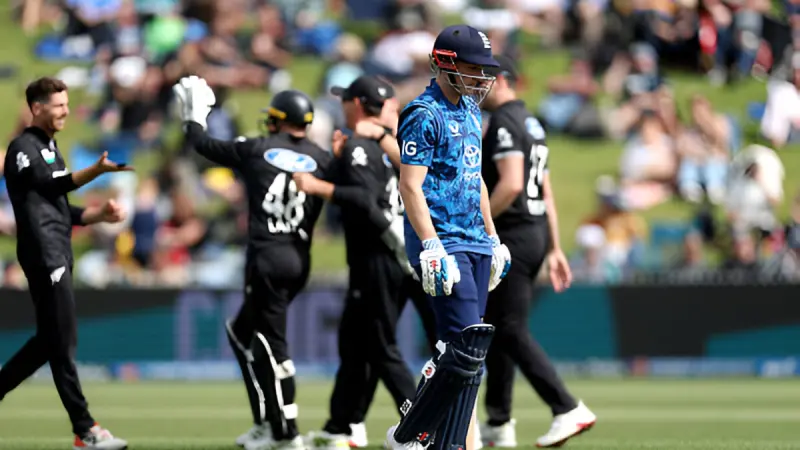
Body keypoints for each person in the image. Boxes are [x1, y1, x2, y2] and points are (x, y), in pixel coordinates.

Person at [172, 76, 333, 450]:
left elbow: (201, 145)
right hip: (299, 258)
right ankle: (266, 421)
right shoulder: (324, 158)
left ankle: (286, 433)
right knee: (242, 333)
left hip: (266, 257)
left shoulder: (257, 148)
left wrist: (194, 116)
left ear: (278, 119)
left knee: (272, 345)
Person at [383, 24, 512, 450]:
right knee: (464, 349)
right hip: (443, 240)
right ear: (445, 64)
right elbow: (410, 186)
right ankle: (412, 436)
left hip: (475, 239)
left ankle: (439, 441)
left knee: (467, 354)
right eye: (473, 68)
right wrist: (430, 244)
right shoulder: (423, 113)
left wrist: (493, 237)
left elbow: (475, 180)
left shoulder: (472, 111)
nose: (481, 77)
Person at [293, 75, 437, 449]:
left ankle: (419, 425)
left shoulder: (360, 144)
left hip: (377, 256)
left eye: (345, 100)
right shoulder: (385, 146)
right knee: (355, 342)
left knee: (379, 344)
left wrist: (317, 185)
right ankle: (342, 424)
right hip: (390, 255)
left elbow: (362, 199)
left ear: (356, 104)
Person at [0, 77, 131, 450]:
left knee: (48, 341)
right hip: (43, 253)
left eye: (67, 104)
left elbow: (59, 208)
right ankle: (85, 428)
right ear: (37, 107)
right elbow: (52, 185)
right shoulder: (23, 148)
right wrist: (96, 172)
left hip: (56, 250)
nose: (66, 111)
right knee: (62, 340)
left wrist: (98, 215)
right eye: (58, 105)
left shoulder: (49, 148)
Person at [479, 55, 597, 448]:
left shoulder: (504, 122)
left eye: (482, 80)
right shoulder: (532, 123)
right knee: (498, 324)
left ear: (500, 81)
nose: (476, 88)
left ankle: (566, 407)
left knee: (509, 327)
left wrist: (478, 221)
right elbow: (545, 192)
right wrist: (555, 246)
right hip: (533, 232)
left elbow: (512, 183)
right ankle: (498, 420)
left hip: (512, 233)